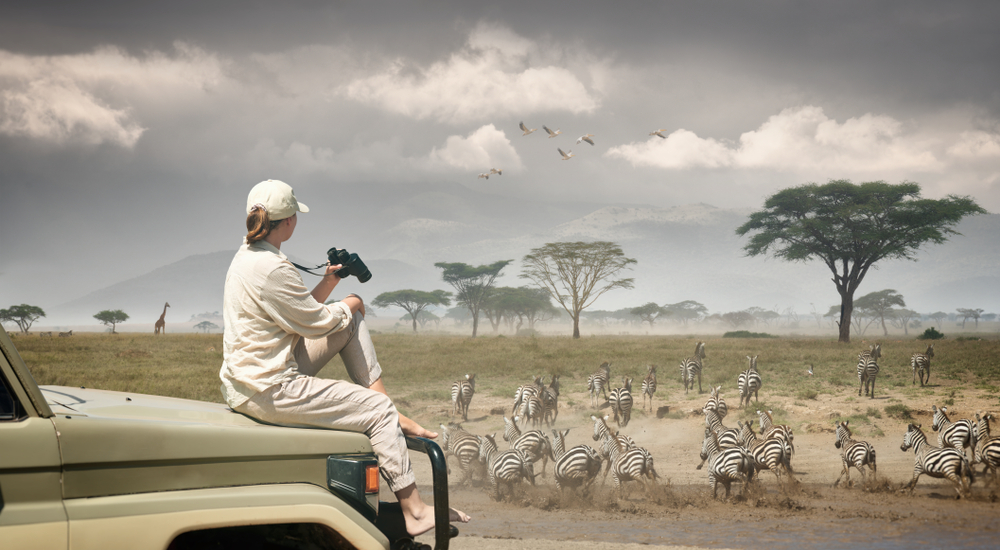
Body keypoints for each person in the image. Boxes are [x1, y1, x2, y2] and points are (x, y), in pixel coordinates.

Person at [219, 179, 470, 537]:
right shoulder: (274, 268)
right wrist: (351, 302)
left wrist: (329, 282)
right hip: (270, 387)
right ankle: (414, 508)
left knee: (349, 322)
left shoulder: (248, 257)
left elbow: (297, 313)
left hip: (250, 377)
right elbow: (315, 323)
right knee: (374, 400)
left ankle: (388, 411)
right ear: (289, 221)